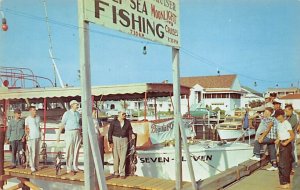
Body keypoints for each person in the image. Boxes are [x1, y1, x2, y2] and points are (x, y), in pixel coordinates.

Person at [108, 110, 135, 179]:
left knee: (123, 156)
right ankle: (116, 172)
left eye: (125, 114)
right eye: (123, 114)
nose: (124, 115)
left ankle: (122, 173)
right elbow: (110, 132)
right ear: (119, 114)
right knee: (116, 156)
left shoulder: (127, 122)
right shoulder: (114, 122)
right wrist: (110, 141)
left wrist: (132, 134)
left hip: (124, 139)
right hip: (115, 139)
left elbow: (130, 130)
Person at [57, 100, 82, 175]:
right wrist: (58, 136)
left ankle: (75, 167)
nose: (77, 105)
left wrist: (80, 134)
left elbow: (78, 124)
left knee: (76, 150)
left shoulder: (78, 113)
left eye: (77, 104)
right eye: (76, 104)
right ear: (72, 105)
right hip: (69, 132)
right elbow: (62, 124)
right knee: (69, 150)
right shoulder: (67, 113)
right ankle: (69, 168)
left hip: (77, 132)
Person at [274, 109, 294, 189]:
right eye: (276, 116)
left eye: (278, 116)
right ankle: (283, 183)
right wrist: (278, 140)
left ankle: (286, 183)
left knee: (284, 164)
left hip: (286, 144)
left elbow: (292, 136)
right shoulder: (279, 124)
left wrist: (286, 142)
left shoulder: (287, 123)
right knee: (280, 164)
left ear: (282, 115)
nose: (277, 117)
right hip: (281, 143)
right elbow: (280, 134)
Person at [25, 106, 41, 172]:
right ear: (30, 111)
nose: (35, 111)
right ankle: (32, 166)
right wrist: (27, 135)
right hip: (31, 137)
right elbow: (26, 128)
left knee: (37, 152)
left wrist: (41, 134)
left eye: (35, 110)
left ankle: (37, 165)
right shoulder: (27, 119)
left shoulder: (38, 117)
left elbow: (39, 127)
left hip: (38, 136)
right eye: (34, 110)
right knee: (32, 152)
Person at [284, 104, 298, 169]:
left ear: (291, 110)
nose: (286, 113)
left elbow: (288, 127)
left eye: (287, 111)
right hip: (288, 136)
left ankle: (294, 166)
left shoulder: (294, 118)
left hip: (291, 137)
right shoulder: (288, 117)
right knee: (290, 152)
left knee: (292, 152)